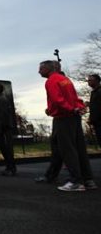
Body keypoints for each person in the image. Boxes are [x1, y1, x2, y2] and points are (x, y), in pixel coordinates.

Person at [38, 60, 94, 192]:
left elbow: (58, 100)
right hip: (73, 117)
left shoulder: (51, 80)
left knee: (67, 149)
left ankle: (76, 181)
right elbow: (74, 98)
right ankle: (88, 180)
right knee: (79, 148)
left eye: (41, 68)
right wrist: (78, 108)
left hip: (63, 118)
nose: (39, 71)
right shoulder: (65, 79)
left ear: (48, 68)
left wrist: (70, 109)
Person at [0, 83, 16, 176]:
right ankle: (9, 166)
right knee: (3, 148)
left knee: (7, 148)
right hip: (0, 128)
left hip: (4, 128)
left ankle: (11, 168)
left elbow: (3, 115)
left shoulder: (2, 99)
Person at [87, 74, 101, 147]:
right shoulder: (93, 92)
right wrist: (91, 119)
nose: (88, 82)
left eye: (90, 80)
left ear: (97, 81)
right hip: (96, 122)